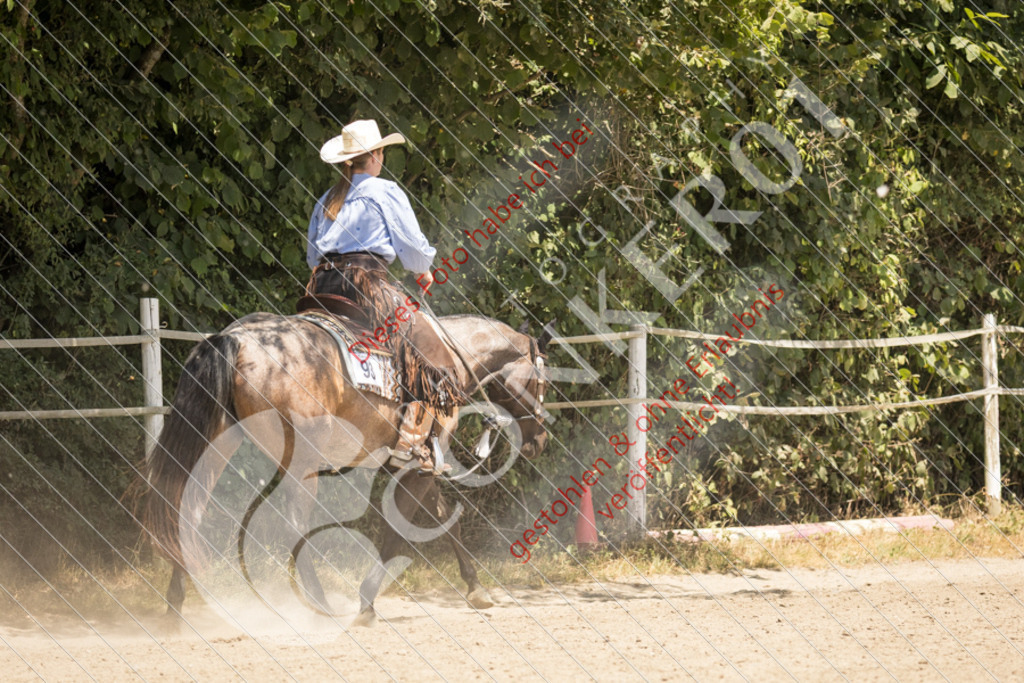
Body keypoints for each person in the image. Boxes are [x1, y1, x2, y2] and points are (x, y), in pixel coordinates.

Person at [305, 119, 458, 472]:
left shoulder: (326, 200)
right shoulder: (384, 191)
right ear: (375, 155)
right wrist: (423, 269)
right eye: (381, 151)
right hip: (365, 286)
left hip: (321, 287)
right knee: (423, 346)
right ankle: (410, 441)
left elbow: (313, 257)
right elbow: (413, 251)